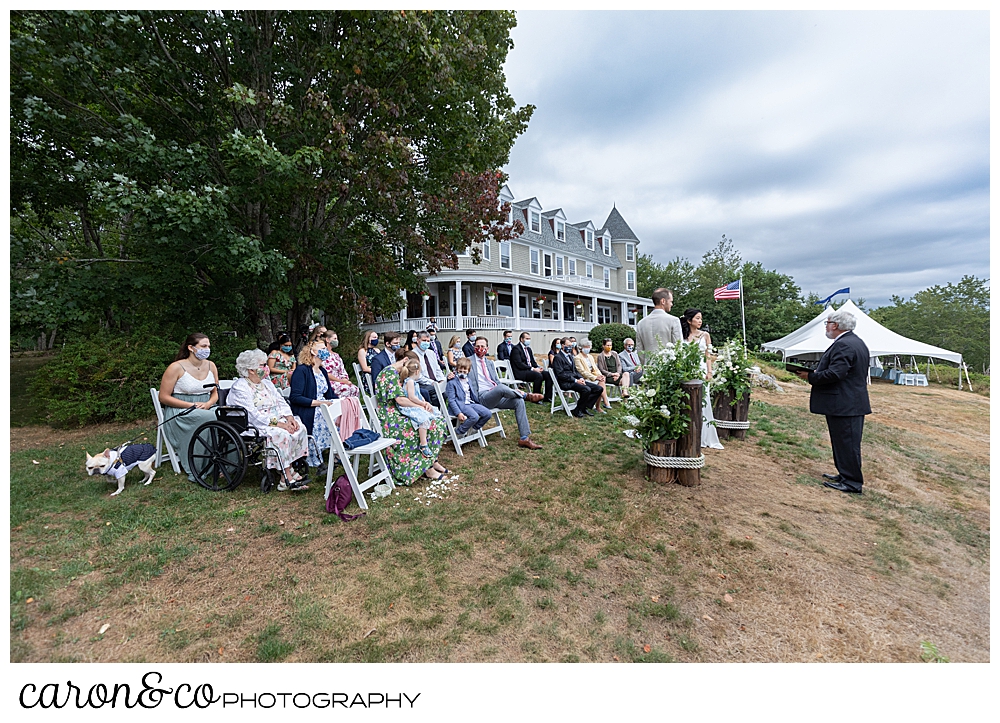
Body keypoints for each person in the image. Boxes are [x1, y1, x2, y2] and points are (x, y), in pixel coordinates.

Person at [794, 310, 871, 494]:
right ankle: (844, 474)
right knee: (842, 442)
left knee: (848, 443)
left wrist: (810, 376)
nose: (826, 327)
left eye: (827, 323)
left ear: (835, 325)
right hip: (847, 402)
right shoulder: (854, 342)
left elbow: (836, 373)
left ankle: (852, 482)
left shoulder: (845, 345)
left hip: (846, 404)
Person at [228, 349, 310, 491]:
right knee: (281, 434)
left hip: (276, 418)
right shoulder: (240, 387)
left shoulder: (267, 383)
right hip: (254, 423)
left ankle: (288, 467)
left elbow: (281, 402)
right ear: (251, 370)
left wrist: (289, 418)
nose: (266, 368)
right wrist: (280, 424)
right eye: (262, 365)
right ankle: (286, 477)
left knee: (299, 428)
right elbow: (252, 414)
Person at [374, 354, 449, 483]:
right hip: (392, 416)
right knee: (428, 424)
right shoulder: (390, 374)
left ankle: (432, 460)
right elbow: (400, 400)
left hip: (401, 410)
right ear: (405, 361)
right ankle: (427, 468)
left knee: (437, 420)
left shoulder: (398, 374)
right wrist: (420, 406)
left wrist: (422, 404)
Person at [158, 333, 221, 481]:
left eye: (209, 346)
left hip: (206, 405)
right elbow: (164, 397)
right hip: (181, 410)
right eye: (203, 346)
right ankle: (199, 466)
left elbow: (215, 392)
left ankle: (225, 463)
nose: (207, 349)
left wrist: (208, 403)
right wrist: (191, 405)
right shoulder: (176, 367)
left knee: (225, 415)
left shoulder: (211, 365)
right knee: (210, 417)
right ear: (191, 348)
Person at [468, 337, 544, 449]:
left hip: (495, 395)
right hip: (482, 397)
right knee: (501, 388)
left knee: (518, 402)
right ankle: (525, 395)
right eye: (477, 346)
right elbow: (458, 372)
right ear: (474, 347)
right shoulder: (468, 361)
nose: (480, 348)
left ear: (487, 348)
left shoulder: (489, 363)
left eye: (483, 346)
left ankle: (524, 438)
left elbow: (496, 381)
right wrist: (450, 376)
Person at [288, 341, 338, 471]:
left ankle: (338, 451)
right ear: (312, 351)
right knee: (321, 416)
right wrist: (319, 403)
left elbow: (330, 394)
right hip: (308, 408)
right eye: (321, 348)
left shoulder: (322, 371)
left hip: (323, 405)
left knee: (341, 414)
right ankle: (315, 458)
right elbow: (295, 397)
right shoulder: (302, 370)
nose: (325, 350)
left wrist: (340, 402)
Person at [682, 308, 724, 450]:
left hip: (701, 370)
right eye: (697, 318)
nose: (700, 321)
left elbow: (708, 355)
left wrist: (709, 371)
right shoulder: (682, 335)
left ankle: (704, 435)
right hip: (686, 370)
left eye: (701, 318)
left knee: (703, 401)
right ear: (689, 320)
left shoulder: (705, 335)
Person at [398, 356, 443, 457]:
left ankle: (433, 439)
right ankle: (423, 444)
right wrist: (422, 404)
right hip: (410, 407)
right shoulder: (409, 382)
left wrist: (425, 402)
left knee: (434, 413)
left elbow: (419, 395)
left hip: (417, 404)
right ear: (417, 372)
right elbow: (412, 397)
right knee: (424, 419)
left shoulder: (414, 382)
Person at [551, 336, 603, 417]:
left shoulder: (570, 356)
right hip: (566, 382)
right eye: (568, 346)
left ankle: (583, 406)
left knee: (598, 389)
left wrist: (581, 378)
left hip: (575, 380)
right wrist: (575, 381)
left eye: (571, 346)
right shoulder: (558, 357)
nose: (570, 347)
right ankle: (578, 410)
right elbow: (561, 374)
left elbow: (575, 370)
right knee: (586, 390)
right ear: (562, 345)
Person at [445, 357, 494, 437]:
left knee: (487, 413)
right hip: (461, 404)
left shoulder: (468, 380)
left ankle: (474, 428)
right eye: (460, 371)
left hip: (470, 403)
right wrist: (458, 413)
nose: (462, 373)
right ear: (456, 370)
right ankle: (459, 431)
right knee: (474, 416)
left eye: (464, 371)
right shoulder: (452, 382)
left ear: (468, 371)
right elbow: (451, 400)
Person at [636, 287, 682, 358]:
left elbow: (640, 350)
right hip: (668, 367)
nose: (672, 304)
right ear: (663, 301)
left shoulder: (641, 323)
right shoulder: (674, 320)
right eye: (671, 301)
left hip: (648, 367)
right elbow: (678, 348)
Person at [509, 332, 551, 402]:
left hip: (529, 370)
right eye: (527, 338)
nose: (528, 340)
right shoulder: (516, 349)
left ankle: (547, 397)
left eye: (529, 339)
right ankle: (536, 397)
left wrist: (538, 367)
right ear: (521, 339)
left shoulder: (528, 349)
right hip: (520, 372)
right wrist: (533, 369)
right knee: (538, 376)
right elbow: (519, 364)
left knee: (547, 374)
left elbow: (533, 362)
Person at [414, 330, 452, 405]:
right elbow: (417, 375)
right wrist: (432, 383)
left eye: (428, 341)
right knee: (436, 392)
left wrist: (442, 379)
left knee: (449, 387)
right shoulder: (413, 355)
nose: (426, 343)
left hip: (435, 381)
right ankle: (436, 412)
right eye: (424, 340)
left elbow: (437, 369)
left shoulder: (431, 353)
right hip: (422, 383)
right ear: (418, 340)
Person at [320, 331, 359, 398]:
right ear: (327, 340)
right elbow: (325, 373)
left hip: (340, 380)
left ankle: (351, 407)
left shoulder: (336, 355)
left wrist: (345, 379)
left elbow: (342, 370)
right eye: (334, 339)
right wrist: (341, 381)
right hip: (329, 381)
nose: (336, 341)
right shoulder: (323, 355)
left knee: (355, 389)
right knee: (346, 389)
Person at [575, 340, 611, 412]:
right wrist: (595, 377)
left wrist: (600, 375)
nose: (588, 348)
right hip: (584, 378)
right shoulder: (577, 358)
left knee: (601, 381)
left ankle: (599, 405)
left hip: (593, 377)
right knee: (600, 384)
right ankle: (604, 402)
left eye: (589, 347)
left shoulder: (590, 356)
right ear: (581, 348)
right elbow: (582, 371)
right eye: (586, 347)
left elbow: (595, 368)